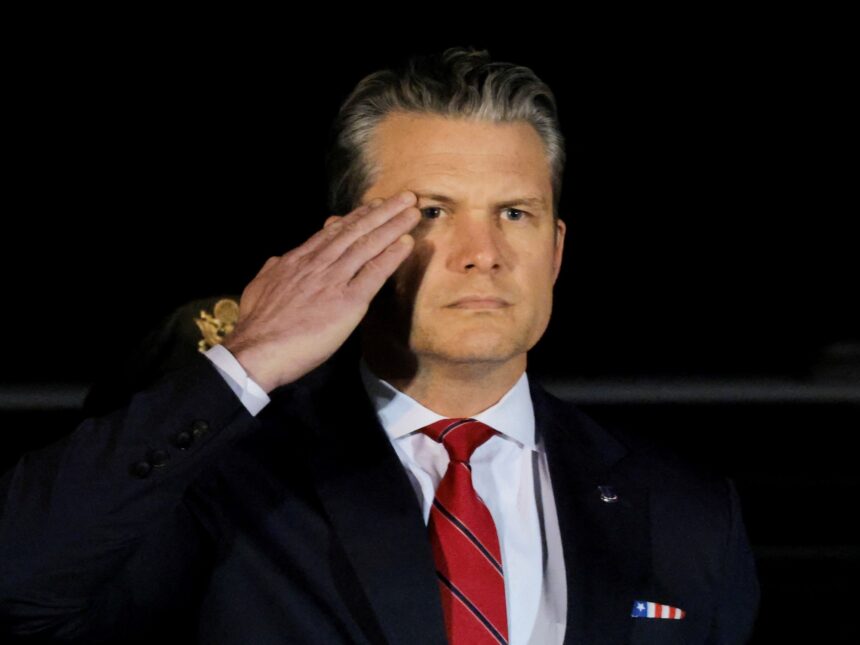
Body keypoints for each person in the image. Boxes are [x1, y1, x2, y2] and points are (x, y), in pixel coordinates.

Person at [0, 46, 760, 644]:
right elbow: (18, 583)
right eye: (432, 211)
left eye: (514, 213)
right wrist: (250, 360)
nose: (483, 253)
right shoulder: (230, 478)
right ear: (345, 244)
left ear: (556, 251)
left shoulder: (686, 510)